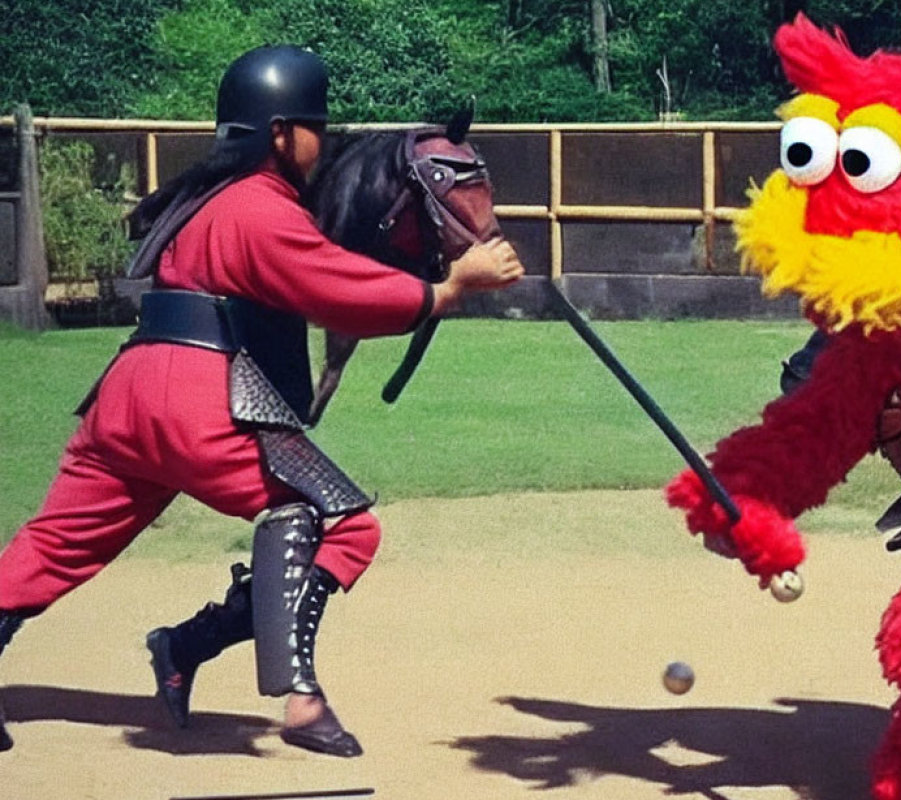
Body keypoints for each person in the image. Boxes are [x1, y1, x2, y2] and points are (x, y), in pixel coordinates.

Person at [0, 44, 523, 757]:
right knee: (341, 526)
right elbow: (332, 285)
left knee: (54, 545)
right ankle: (300, 700)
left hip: (127, 394)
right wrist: (449, 288)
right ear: (281, 133)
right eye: (315, 124)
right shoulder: (258, 207)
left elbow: (326, 261)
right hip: (198, 398)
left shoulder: (210, 199)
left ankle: (184, 647)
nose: (323, 137)